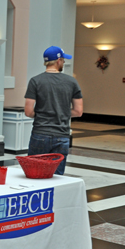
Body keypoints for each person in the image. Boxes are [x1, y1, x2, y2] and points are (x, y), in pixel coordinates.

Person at [24, 46, 83, 175]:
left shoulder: (35, 81)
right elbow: (78, 111)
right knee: (57, 177)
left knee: (35, 172)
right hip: (62, 135)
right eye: (63, 60)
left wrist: (42, 115)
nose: (63, 62)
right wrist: (61, 113)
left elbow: (28, 112)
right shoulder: (72, 82)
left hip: (40, 133)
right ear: (58, 61)